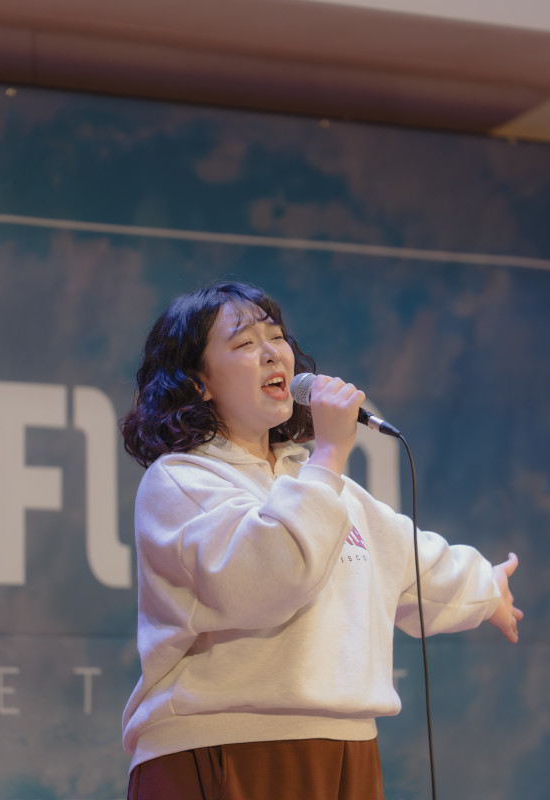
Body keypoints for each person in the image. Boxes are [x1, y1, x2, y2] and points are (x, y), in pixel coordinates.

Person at [119, 281, 523, 799]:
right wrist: (330, 454)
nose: (272, 353)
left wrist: (486, 588)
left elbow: (410, 563)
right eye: (244, 343)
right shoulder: (183, 480)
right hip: (229, 747)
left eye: (277, 337)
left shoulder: (317, 484)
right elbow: (273, 574)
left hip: (346, 748)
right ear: (199, 384)